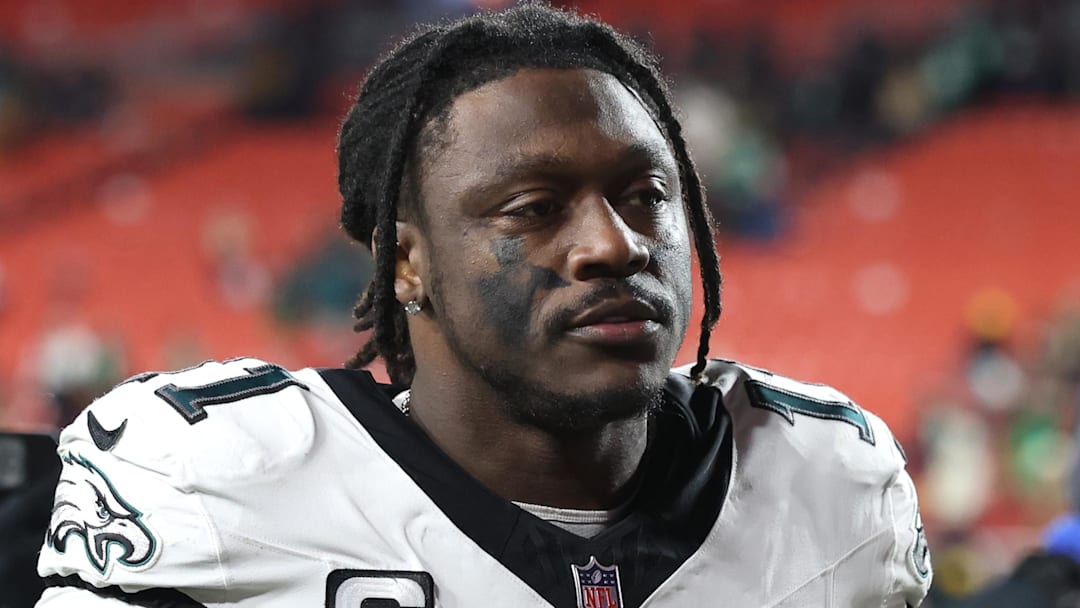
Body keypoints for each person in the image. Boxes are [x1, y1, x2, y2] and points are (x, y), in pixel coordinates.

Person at [34, 4, 932, 607]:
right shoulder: (212, 483)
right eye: (535, 209)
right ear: (407, 265)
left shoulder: (832, 481)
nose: (615, 245)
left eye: (646, 196)